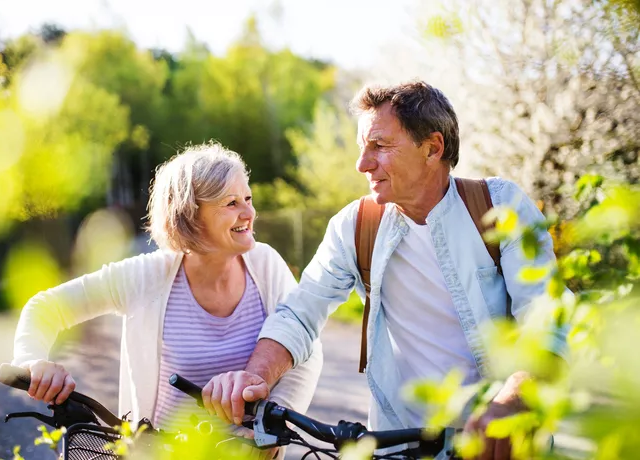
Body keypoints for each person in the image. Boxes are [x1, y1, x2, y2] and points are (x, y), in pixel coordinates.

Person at [202, 81, 568, 460]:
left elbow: (547, 317)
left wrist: (513, 401)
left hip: (501, 445)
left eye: (379, 146)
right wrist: (256, 377)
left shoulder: (499, 207)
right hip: (395, 446)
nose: (362, 164)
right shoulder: (355, 225)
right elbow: (300, 310)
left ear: (433, 148)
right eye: (363, 148)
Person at [10, 141, 323, 454]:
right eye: (231, 203)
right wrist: (32, 361)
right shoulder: (144, 277)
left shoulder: (265, 264)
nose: (249, 212)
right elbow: (45, 308)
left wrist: (272, 426)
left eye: (248, 198)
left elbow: (305, 349)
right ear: (190, 215)